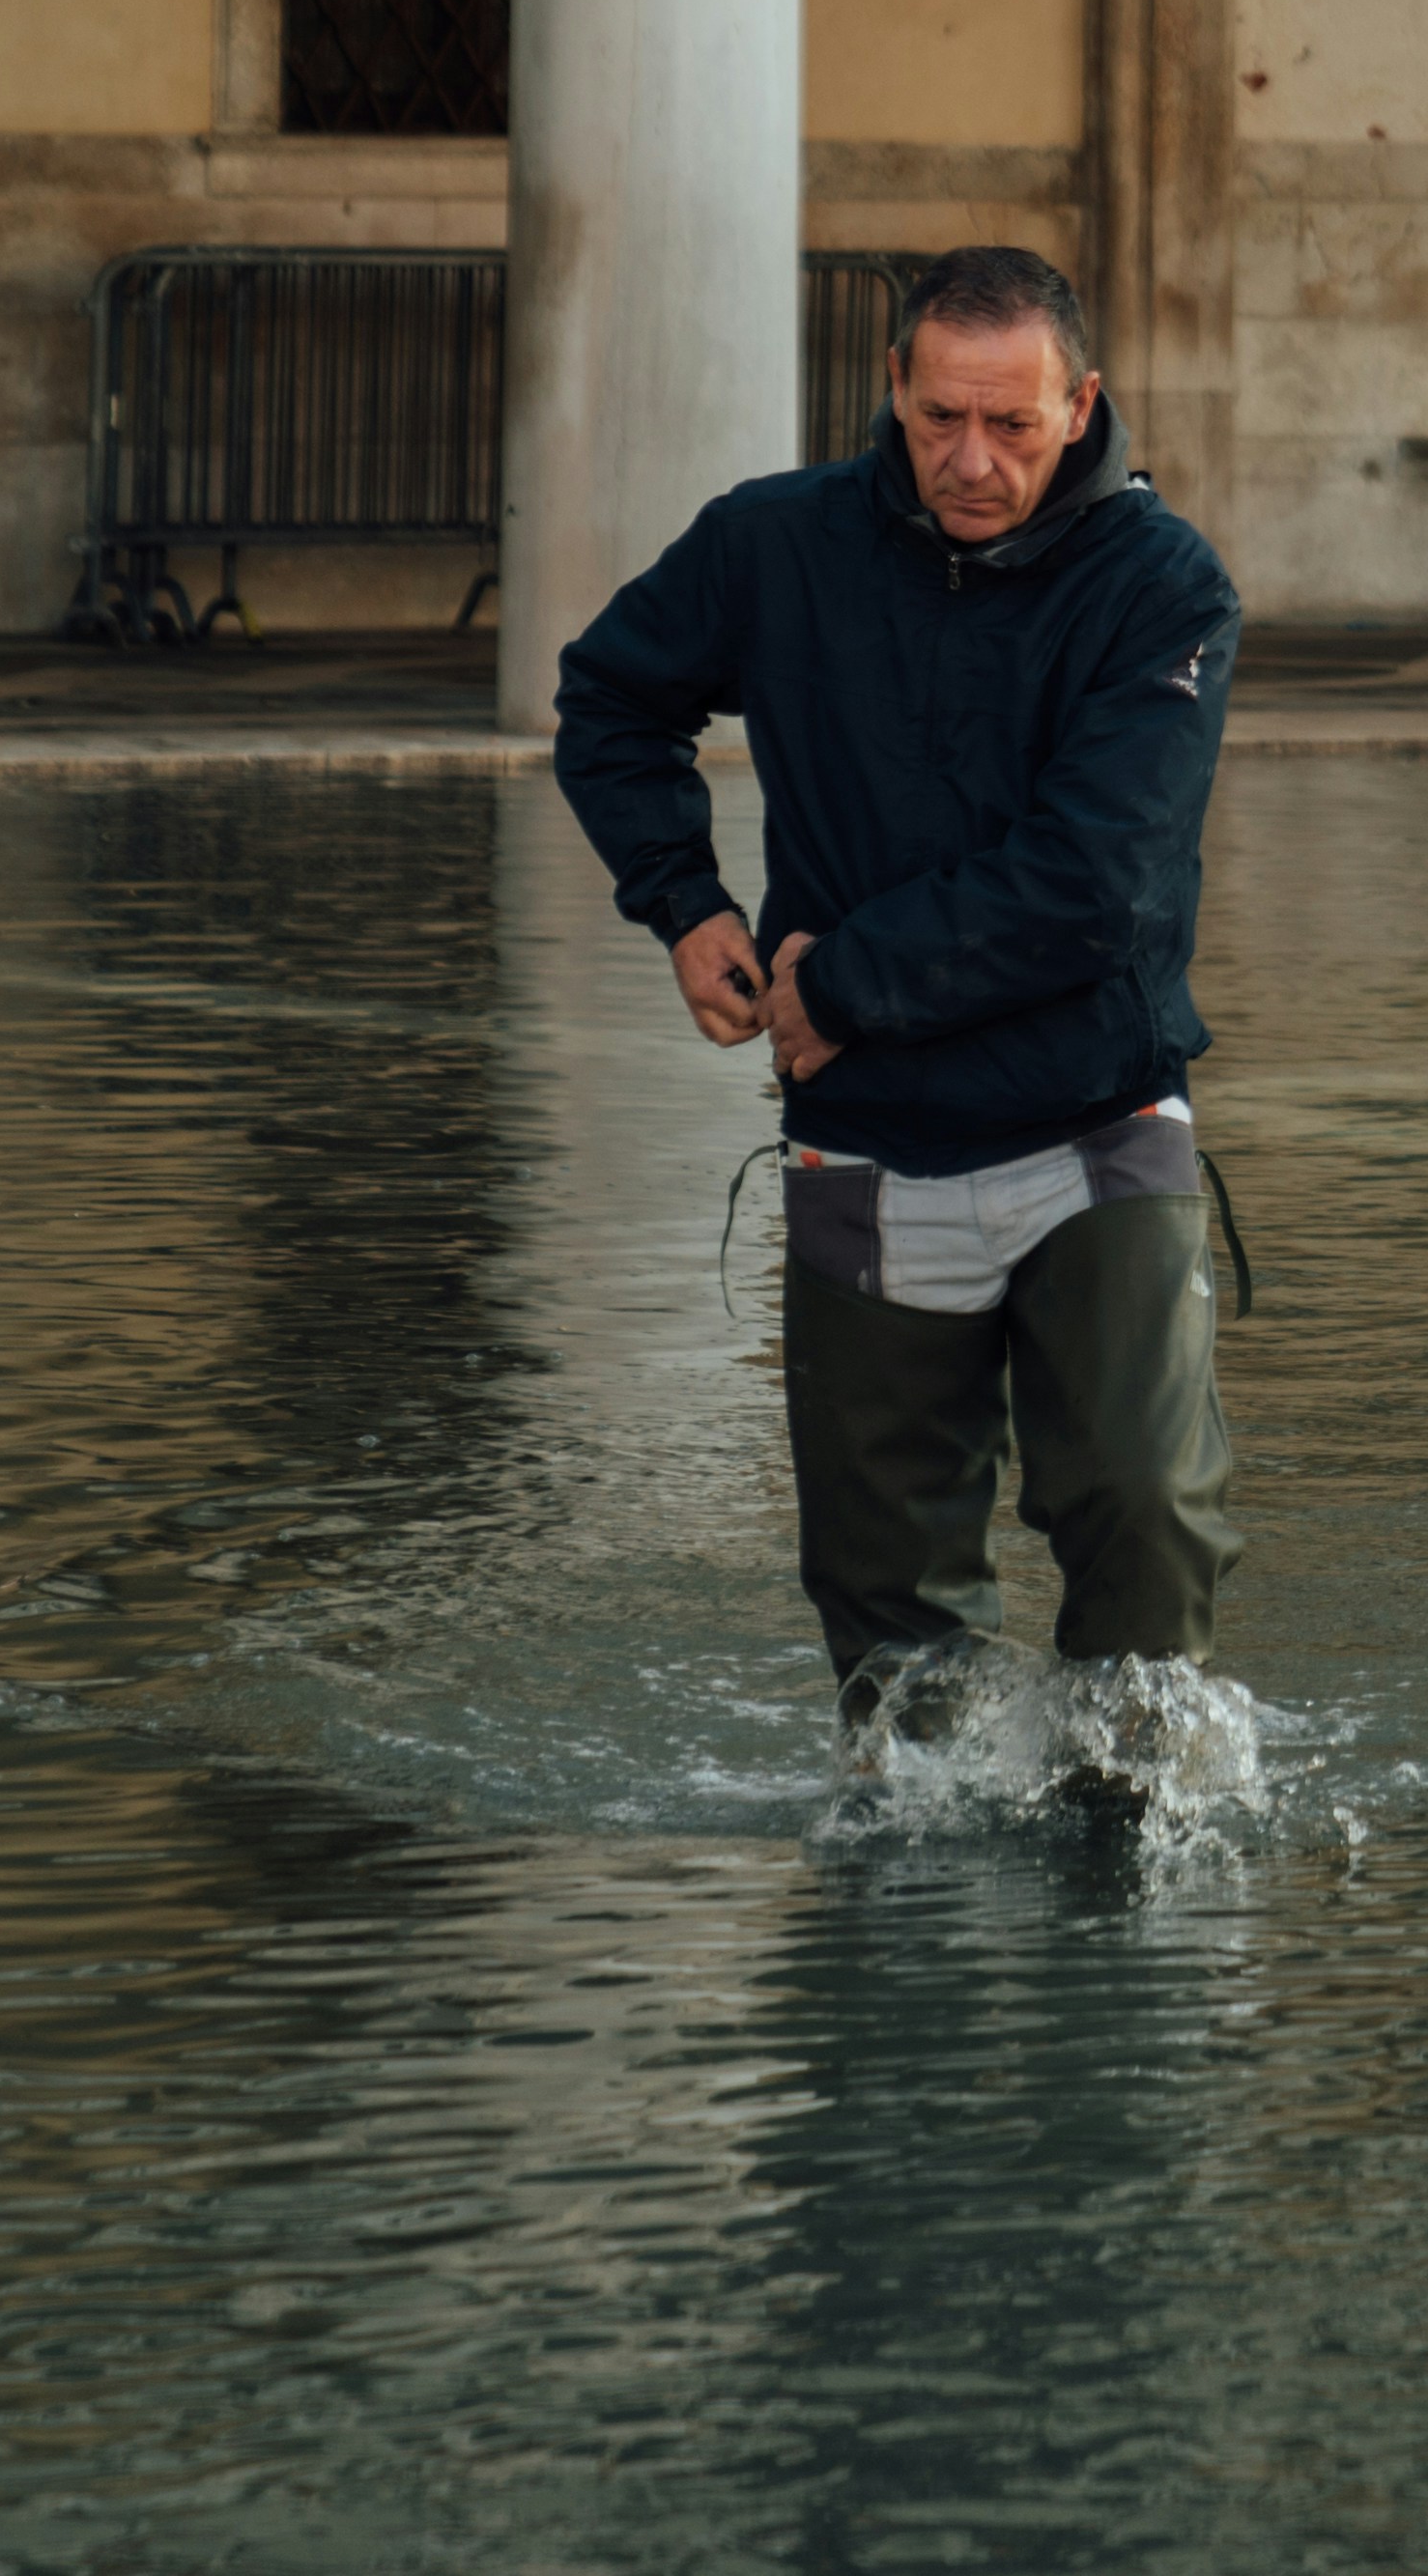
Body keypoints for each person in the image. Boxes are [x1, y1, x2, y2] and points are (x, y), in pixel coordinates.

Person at [554, 243, 1245, 1741]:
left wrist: (844, 984)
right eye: (940, 418)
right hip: (865, 1135)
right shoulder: (773, 543)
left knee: (1142, 1512)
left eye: (1011, 423)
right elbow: (608, 699)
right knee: (885, 1614)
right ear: (892, 390)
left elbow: (1097, 882)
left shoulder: (1162, 585)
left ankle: (1131, 1819)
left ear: (1083, 406)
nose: (971, 460)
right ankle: (922, 1864)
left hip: (1098, 1122)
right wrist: (684, 906)